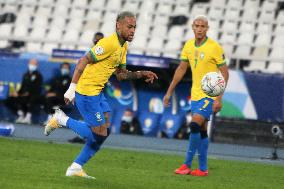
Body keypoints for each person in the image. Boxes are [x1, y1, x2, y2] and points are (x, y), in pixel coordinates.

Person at [44, 11, 158, 179]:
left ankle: (75, 168)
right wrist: (72, 88)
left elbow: (121, 74)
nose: (133, 30)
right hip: (86, 91)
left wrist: (141, 73)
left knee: (104, 133)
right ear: (118, 25)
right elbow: (83, 60)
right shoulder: (108, 43)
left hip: (98, 91)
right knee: (98, 135)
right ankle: (61, 119)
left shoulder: (123, 46)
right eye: (129, 26)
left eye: (134, 27)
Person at [163, 15, 229, 177]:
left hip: (210, 94)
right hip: (195, 94)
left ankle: (186, 164)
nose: (199, 29)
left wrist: (219, 98)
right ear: (192, 27)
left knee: (194, 125)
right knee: (201, 130)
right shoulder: (188, 46)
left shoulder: (214, 47)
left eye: (203, 26)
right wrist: (169, 92)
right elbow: (181, 69)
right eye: (197, 26)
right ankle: (203, 169)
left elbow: (225, 73)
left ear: (207, 28)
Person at [68, 31, 104, 144]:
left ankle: (91, 135)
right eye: (96, 39)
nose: (97, 41)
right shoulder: (88, 52)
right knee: (85, 112)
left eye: (99, 40)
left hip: (96, 87)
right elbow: (81, 68)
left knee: (93, 113)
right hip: (85, 86)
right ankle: (84, 136)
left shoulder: (106, 53)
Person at [13, 59, 43, 124]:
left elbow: (37, 88)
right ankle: (21, 115)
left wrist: (28, 93)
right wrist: (17, 93)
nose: (32, 65)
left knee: (31, 98)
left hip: (34, 94)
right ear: (28, 64)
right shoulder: (25, 75)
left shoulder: (39, 75)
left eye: (34, 64)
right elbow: (22, 86)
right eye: (31, 64)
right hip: (24, 94)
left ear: (37, 65)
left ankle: (28, 117)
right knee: (12, 98)